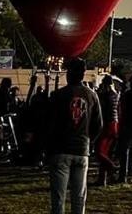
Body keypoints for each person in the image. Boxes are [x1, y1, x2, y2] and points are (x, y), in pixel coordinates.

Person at [44, 59, 102, 214]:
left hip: (61, 149)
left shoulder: (58, 95)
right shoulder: (92, 96)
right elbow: (98, 125)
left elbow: (49, 123)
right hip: (82, 150)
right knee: (79, 197)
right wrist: (89, 141)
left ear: (69, 73)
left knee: (58, 197)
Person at [94, 75, 121, 186]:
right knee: (106, 153)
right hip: (114, 124)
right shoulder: (115, 95)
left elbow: (102, 111)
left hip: (106, 125)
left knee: (99, 152)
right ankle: (103, 178)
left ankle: (112, 167)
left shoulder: (105, 96)